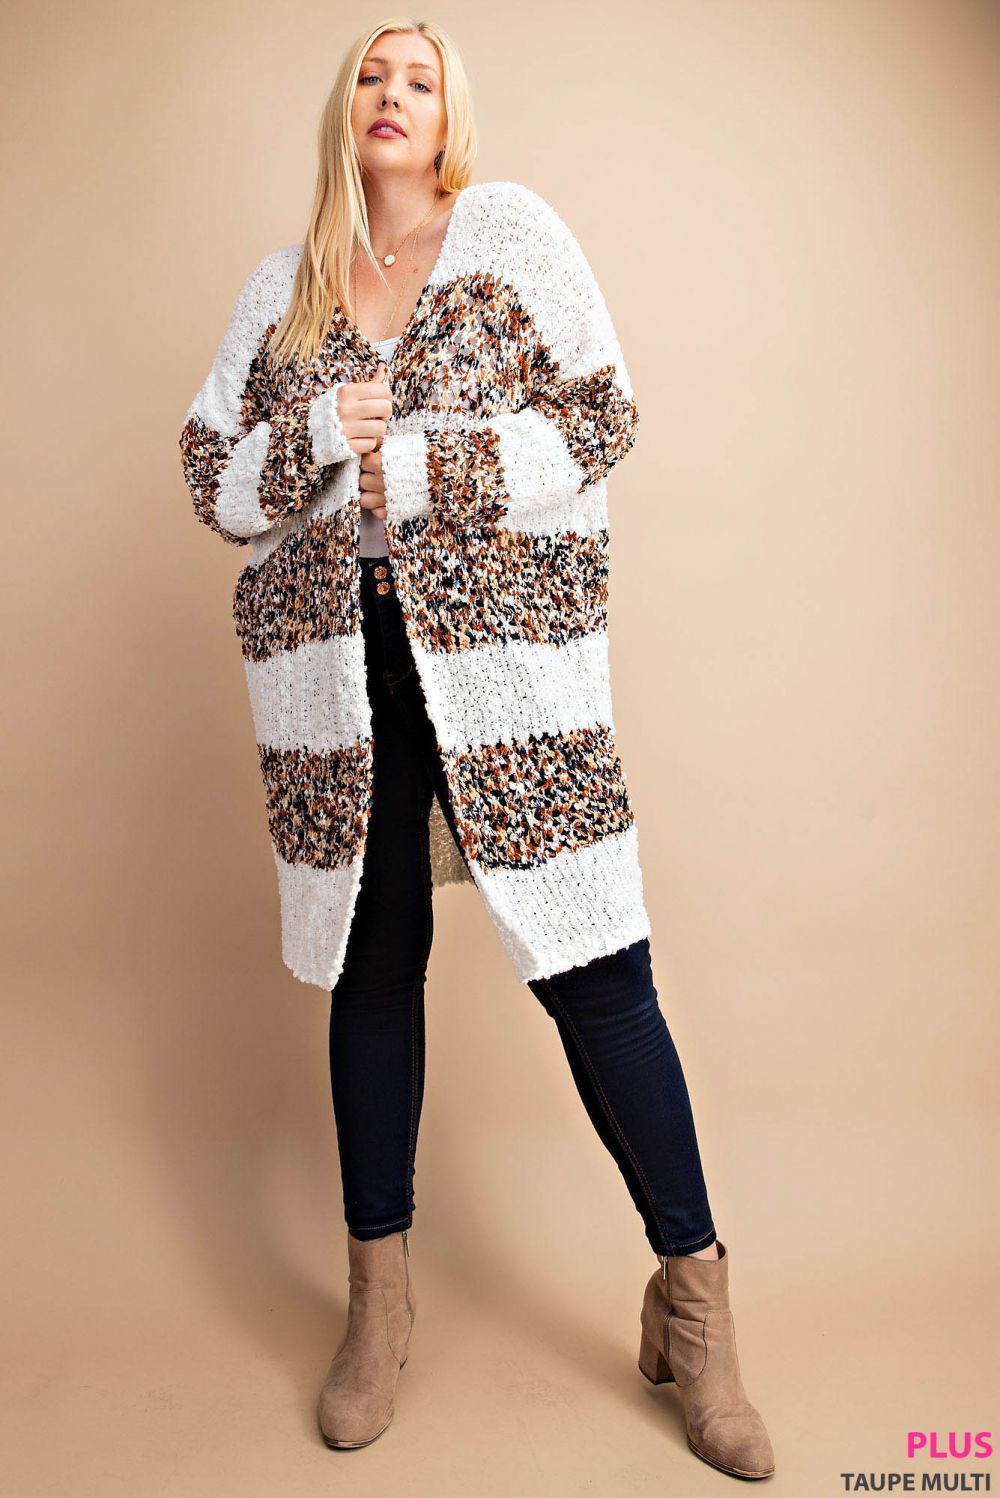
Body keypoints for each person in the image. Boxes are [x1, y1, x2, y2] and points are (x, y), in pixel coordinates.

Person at [178, 15, 775, 1482]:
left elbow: (601, 412)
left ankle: (698, 1307)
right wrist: (322, 431)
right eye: (372, 74)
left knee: (597, 969)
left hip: (511, 674)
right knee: (375, 965)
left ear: (451, 116)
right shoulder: (283, 293)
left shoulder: (510, 237)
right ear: (344, 109)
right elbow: (213, 480)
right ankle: (378, 1309)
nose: (393, 94)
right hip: (340, 680)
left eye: (421, 78)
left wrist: (432, 461)